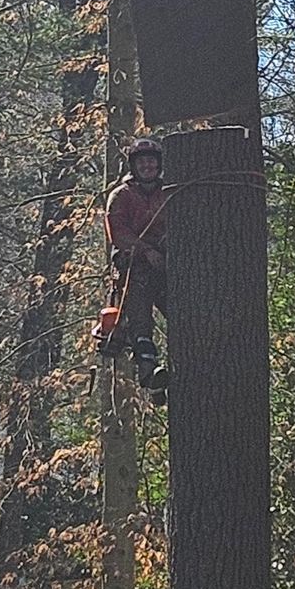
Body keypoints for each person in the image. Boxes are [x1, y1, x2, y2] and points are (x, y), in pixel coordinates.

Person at [103, 134, 168, 398]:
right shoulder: (121, 196)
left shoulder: (169, 192)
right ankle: (149, 372)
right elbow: (118, 232)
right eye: (142, 163)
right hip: (134, 268)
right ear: (134, 166)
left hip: (166, 265)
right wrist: (145, 250)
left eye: (151, 162)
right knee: (140, 319)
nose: (147, 167)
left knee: (183, 312)